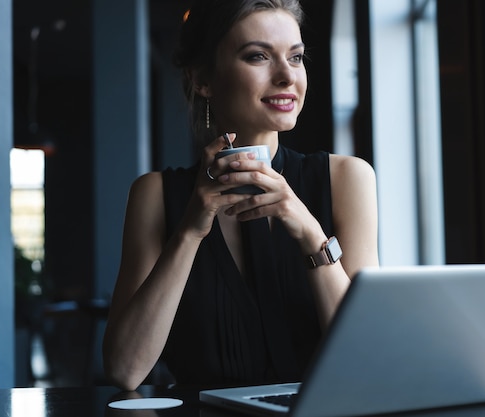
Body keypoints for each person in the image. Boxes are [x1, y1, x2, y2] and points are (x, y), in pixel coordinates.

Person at [102, 0, 379, 391]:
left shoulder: (347, 179)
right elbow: (124, 369)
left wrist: (310, 234)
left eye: (296, 58)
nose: (287, 77)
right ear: (203, 78)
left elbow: (368, 360)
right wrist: (190, 232)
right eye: (258, 56)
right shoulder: (156, 195)